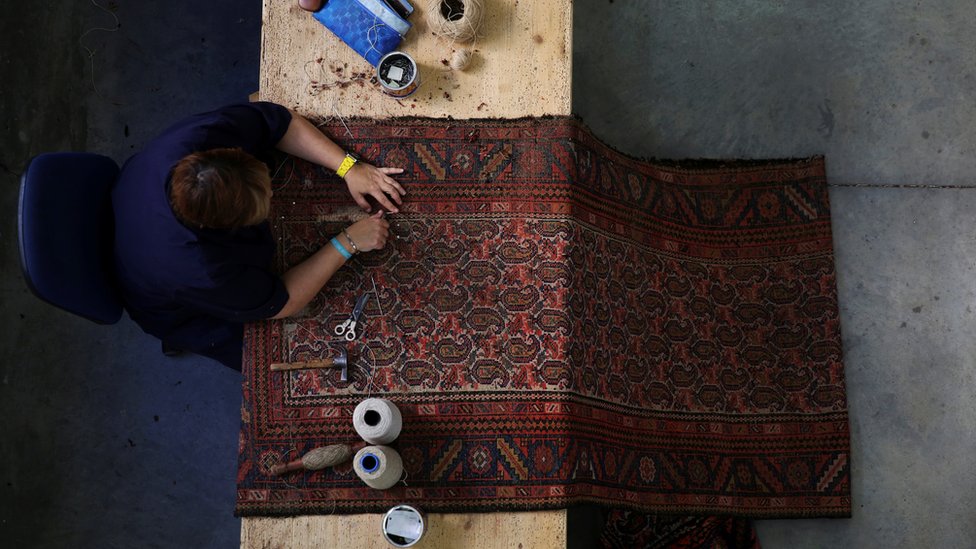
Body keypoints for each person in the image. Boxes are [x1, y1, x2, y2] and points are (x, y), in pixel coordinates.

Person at [111, 101, 405, 370]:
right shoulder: (204, 269)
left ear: (231, 153)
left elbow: (282, 123)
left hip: (135, 198)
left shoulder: (201, 138)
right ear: (227, 229)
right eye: (264, 205)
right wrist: (348, 242)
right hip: (161, 301)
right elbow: (282, 302)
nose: (274, 192)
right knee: (264, 353)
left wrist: (348, 167)